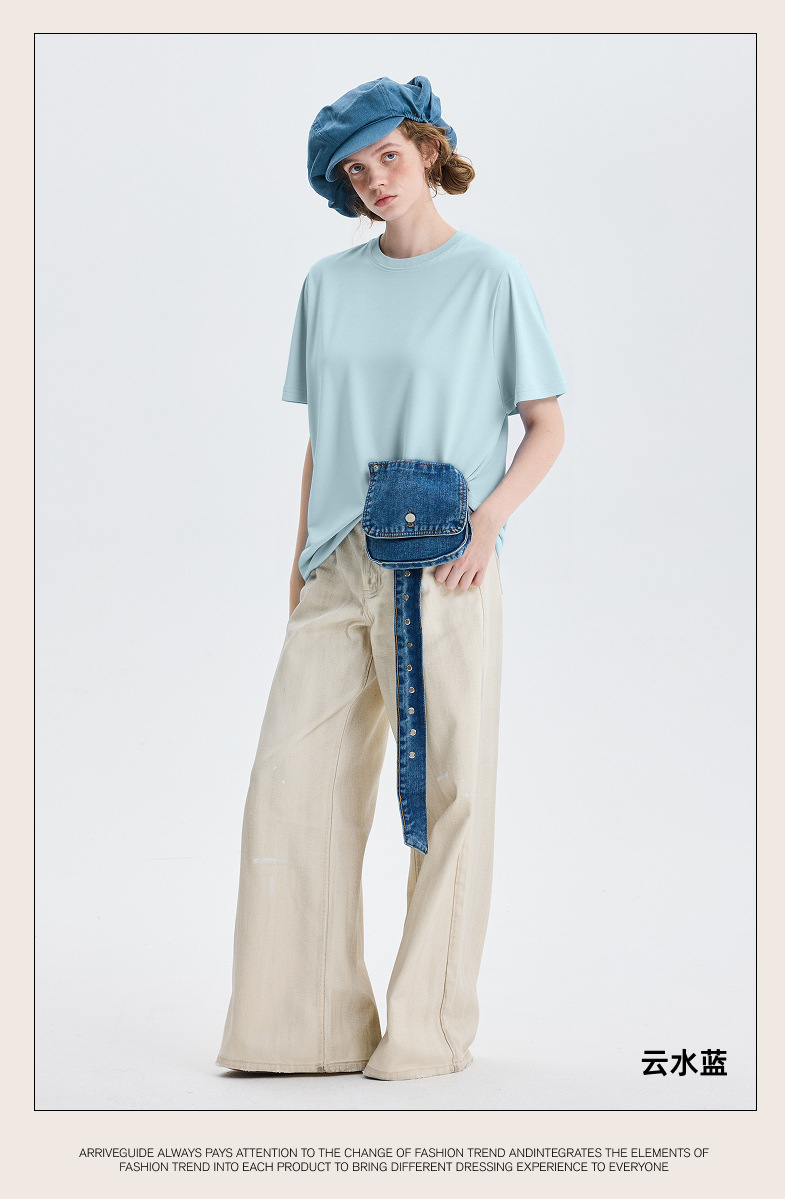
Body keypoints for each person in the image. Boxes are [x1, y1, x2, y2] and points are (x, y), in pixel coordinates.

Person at [216, 75, 568, 1082]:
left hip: (447, 561)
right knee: (291, 786)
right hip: (340, 565)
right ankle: (303, 1030)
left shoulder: (491, 277)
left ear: (426, 148)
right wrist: (299, 565)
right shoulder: (326, 285)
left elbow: (546, 427)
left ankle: (426, 1033)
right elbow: (323, 439)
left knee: (453, 794)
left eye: (387, 154)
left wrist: (488, 525)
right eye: (354, 168)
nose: (375, 177)